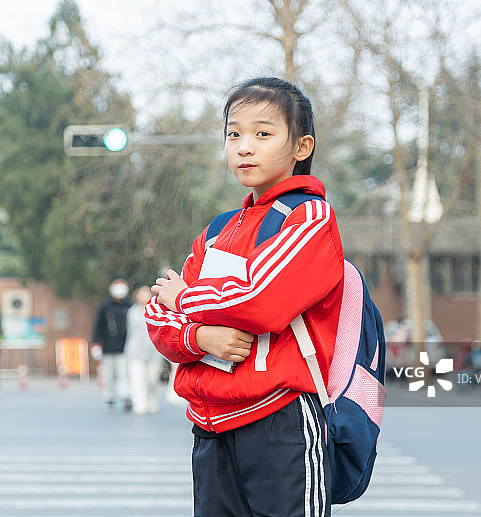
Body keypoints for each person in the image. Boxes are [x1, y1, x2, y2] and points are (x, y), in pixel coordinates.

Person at [148, 77, 343, 516]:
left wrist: (186, 300)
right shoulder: (218, 229)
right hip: (210, 427)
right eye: (233, 134)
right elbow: (157, 314)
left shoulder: (308, 217)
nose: (244, 147)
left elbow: (260, 299)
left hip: (279, 421)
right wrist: (201, 338)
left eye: (263, 133)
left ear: (302, 147)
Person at [92, 276, 132, 411]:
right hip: (108, 347)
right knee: (109, 375)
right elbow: (98, 326)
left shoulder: (129, 306)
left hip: (125, 348)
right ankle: (109, 397)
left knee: (124, 374)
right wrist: (96, 343)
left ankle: (126, 397)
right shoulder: (105, 306)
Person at [125, 285, 165, 415]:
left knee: (152, 380)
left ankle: (151, 399)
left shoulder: (156, 310)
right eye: (141, 293)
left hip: (154, 351)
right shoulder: (131, 312)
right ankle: (139, 404)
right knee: (137, 379)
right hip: (135, 351)